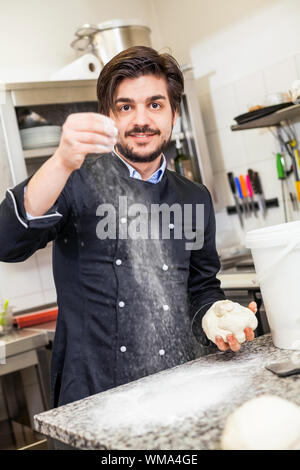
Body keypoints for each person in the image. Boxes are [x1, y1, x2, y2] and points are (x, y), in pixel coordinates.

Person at [0, 46, 257, 408]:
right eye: (126, 107)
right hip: (95, 394)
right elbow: (6, 243)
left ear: (174, 114)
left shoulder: (193, 198)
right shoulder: (74, 180)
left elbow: (202, 289)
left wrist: (215, 316)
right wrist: (60, 160)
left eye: (155, 104)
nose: (141, 120)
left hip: (179, 385)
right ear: (109, 115)